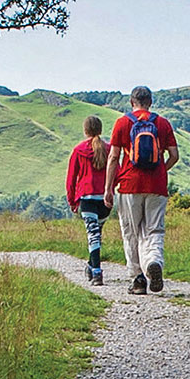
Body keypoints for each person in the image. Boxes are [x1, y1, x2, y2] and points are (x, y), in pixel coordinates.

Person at [105, 86, 179, 294]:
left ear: (132, 102)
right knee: (154, 229)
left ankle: (137, 278)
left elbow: (113, 158)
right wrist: (161, 170)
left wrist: (109, 188)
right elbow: (174, 155)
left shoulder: (122, 123)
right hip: (157, 186)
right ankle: (153, 261)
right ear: (150, 102)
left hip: (129, 184)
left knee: (131, 232)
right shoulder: (162, 123)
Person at [66, 115, 111, 286]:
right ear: (100, 129)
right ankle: (91, 266)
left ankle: (97, 272)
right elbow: (117, 171)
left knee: (93, 236)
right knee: (96, 234)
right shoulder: (109, 149)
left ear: (85, 130)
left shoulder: (78, 150)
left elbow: (71, 178)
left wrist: (71, 200)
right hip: (105, 199)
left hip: (87, 197)